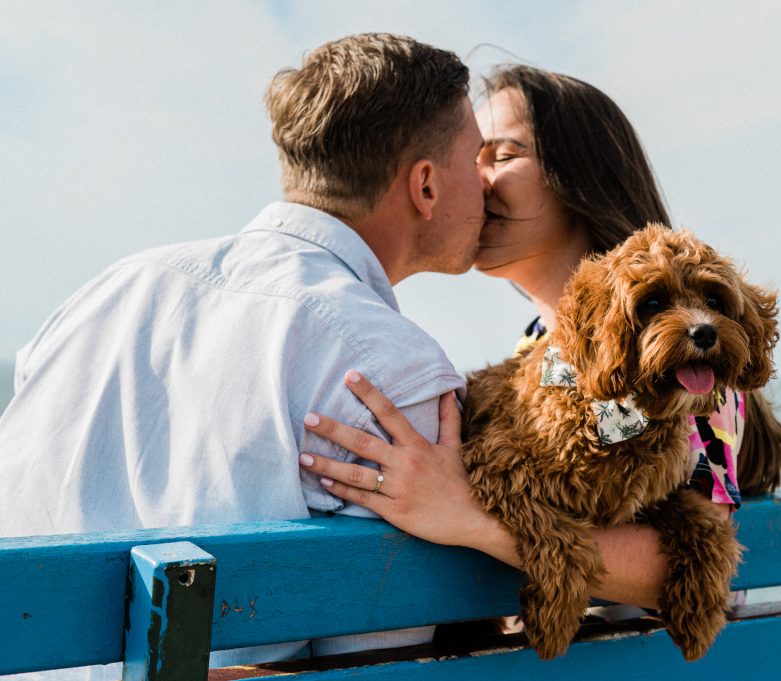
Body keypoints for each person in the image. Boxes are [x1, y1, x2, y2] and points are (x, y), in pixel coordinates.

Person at [0, 33, 486, 676]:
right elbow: (378, 664)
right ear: (425, 185)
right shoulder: (390, 371)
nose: (486, 185)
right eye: (475, 160)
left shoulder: (104, 292)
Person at [297, 65, 746, 619]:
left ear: (579, 176)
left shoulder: (685, 357)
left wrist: (470, 518)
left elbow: (688, 568)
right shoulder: (533, 349)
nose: (476, 181)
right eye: (472, 159)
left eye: (502, 157)